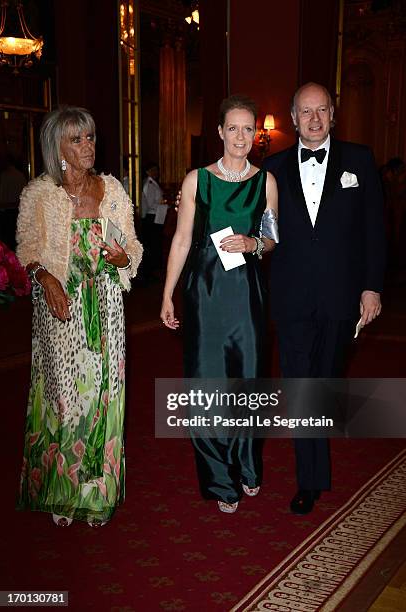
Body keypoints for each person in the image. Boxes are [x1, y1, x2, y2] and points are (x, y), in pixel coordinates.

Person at [16, 107, 143, 527]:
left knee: (104, 397)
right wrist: (46, 277)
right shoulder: (39, 194)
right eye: (77, 139)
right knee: (64, 397)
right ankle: (61, 488)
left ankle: (94, 492)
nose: (87, 146)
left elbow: (134, 249)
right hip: (61, 308)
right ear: (58, 147)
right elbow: (27, 250)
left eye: (90, 137)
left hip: (106, 306)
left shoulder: (113, 190)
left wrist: (125, 258)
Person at [263, 82, 385, 514]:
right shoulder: (272, 166)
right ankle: (309, 481)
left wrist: (372, 287)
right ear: (293, 118)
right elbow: (264, 228)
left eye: (321, 111)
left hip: (341, 295)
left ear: (333, 114)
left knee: (325, 380)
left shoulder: (360, 160)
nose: (313, 119)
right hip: (292, 294)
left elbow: (374, 229)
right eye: (305, 112)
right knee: (301, 386)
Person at [160, 95, 278, 513]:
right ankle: (219, 479)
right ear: (220, 132)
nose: (242, 136)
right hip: (204, 294)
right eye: (234, 128)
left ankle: (247, 464)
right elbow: (180, 240)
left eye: (249, 129)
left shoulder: (266, 182)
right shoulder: (197, 180)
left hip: (246, 295)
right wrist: (167, 294)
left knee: (247, 382)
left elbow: (272, 240)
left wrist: (253, 243)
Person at [140, 162, 168, 282]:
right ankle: (150, 272)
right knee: (152, 244)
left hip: (156, 217)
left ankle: (153, 271)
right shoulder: (149, 184)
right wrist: (162, 204)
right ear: (148, 171)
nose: (156, 172)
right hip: (152, 217)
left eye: (156, 170)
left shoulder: (153, 183)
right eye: (153, 170)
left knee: (155, 244)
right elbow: (150, 204)